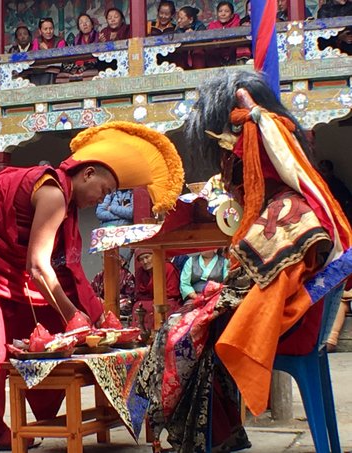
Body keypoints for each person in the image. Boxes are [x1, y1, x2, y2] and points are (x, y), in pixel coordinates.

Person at [0, 121, 184, 448]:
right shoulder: (53, 193)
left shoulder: (62, 197)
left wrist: (96, 318)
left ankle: (6, 421)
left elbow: (67, 270)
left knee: (42, 317)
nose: (100, 200)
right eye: (104, 191)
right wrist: (75, 317)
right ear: (88, 174)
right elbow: (37, 266)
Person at [136, 70, 352, 452]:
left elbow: (253, 289)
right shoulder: (292, 206)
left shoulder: (286, 211)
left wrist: (207, 304)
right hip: (293, 319)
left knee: (179, 333)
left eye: (232, 163)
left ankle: (198, 440)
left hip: (288, 327)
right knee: (189, 322)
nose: (232, 179)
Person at [131, 251, 182, 331]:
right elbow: (138, 293)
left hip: (167, 300)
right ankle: (140, 333)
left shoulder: (168, 267)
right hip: (147, 300)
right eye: (141, 259)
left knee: (162, 306)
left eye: (147, 257)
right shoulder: (140, 272)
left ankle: (160, 332)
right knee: (137, 306)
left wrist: (157, 298)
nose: (145, 262)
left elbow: (172, 292)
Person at [56, 13, 99, 83]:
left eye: (87, 21)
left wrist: (101, 42)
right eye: (81, 23)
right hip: (79, 62)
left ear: (92, 25)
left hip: (93, 62)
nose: (84, 24)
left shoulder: (98, 36)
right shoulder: (77, 39)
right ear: (79, 28)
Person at [90, 252, 135, 319]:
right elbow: (92, 292)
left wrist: (111, 301)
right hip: (102, 306)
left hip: (119, 306)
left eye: (109, 258)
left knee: (125, 303)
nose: (104, 261)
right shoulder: (100, 275)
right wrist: (100, 300)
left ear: (122, 261)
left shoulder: (128, 276)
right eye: (103, 258)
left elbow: (131, 297)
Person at [30, 17, 66, 86]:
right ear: (40, 31)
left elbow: (59, 59)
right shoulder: (37, 41)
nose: (48, 31)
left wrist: (46, 51)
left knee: (49, 73)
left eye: (51, 28)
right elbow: (35, 59)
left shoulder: (60, 41)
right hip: (39, 70)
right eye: (45, 29)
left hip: (54, 70)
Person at [206, 2, 241, 68]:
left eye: (226, 11)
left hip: (233, 52)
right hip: (217, 53)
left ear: (232, 15)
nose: (223, 14)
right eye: (220, 11)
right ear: (217, 14)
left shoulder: (237, 23)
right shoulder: (213, 25)